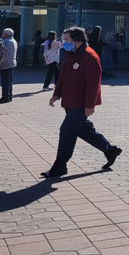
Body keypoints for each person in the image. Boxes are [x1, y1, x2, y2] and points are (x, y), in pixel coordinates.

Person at [41, 26, 122, 179]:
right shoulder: (70, 53)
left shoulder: (89, 56)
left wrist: (89, 105)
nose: (64, 43)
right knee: (84, 130)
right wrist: (56, 94)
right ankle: (110, 150)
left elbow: (93, 84)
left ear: (77, 40)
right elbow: (63, 76)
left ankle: (60, 166)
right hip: (70, 101)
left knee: (66, 131)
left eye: (66, 40)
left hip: (81, 103)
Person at [0, 28, 18, 103]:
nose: (2, 34)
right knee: (9, 82)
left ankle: (5, 97)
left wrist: (0, 63)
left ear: (6, 34)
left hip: (6, 64)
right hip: (12, 63)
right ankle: (9, 96)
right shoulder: (14, 41)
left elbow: (4, 54)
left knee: (5, 82)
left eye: (3, 33)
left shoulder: (6, 42)